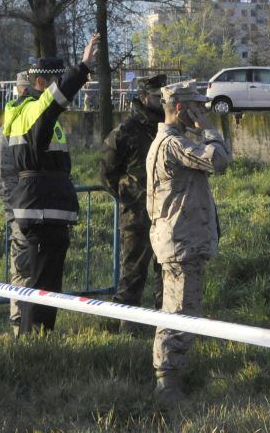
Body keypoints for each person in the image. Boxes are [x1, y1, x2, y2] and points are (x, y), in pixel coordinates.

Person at [3, 34, 100, 335]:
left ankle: (40, 339)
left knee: (45, 282)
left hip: (40, 206)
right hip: (43, 208)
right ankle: (36, 343)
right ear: (44, 83)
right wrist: (83, 68)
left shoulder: (24, 113)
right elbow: (58, 97)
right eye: (56, 81)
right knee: (44, 284)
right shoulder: (38, 111)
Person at [146, 81, 230, 403]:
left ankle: (168, 377)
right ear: (180, 109)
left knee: (176, 308)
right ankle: (168, 383)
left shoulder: (165, 142)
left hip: (178, 240)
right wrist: (208, 129)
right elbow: (218, 161)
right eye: (197, 108)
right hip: (181, 242)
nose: (202, 114)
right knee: (180, 311)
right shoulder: (174, 144)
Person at [100, 74, 166, 334]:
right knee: (133, 273)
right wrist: (129, 194)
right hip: (137, 215)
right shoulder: (126, 131)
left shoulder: (167, 127)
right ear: (143, 98)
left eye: (164, 96)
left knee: (166, 273)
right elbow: (106, 174)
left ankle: (166, 326)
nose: (161, 101)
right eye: (157, 96)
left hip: (165, 212)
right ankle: (128, 329)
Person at [0, 71, 33, 337]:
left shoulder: (43, 123)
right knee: (22, 270)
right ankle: (19, 327)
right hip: (21, 212)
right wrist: (17, 211)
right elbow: (1, 178)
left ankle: (37, 327)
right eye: (25, 90)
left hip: (41, 210)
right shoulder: (8, 128)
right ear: (19, 91)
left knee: (38, 271)